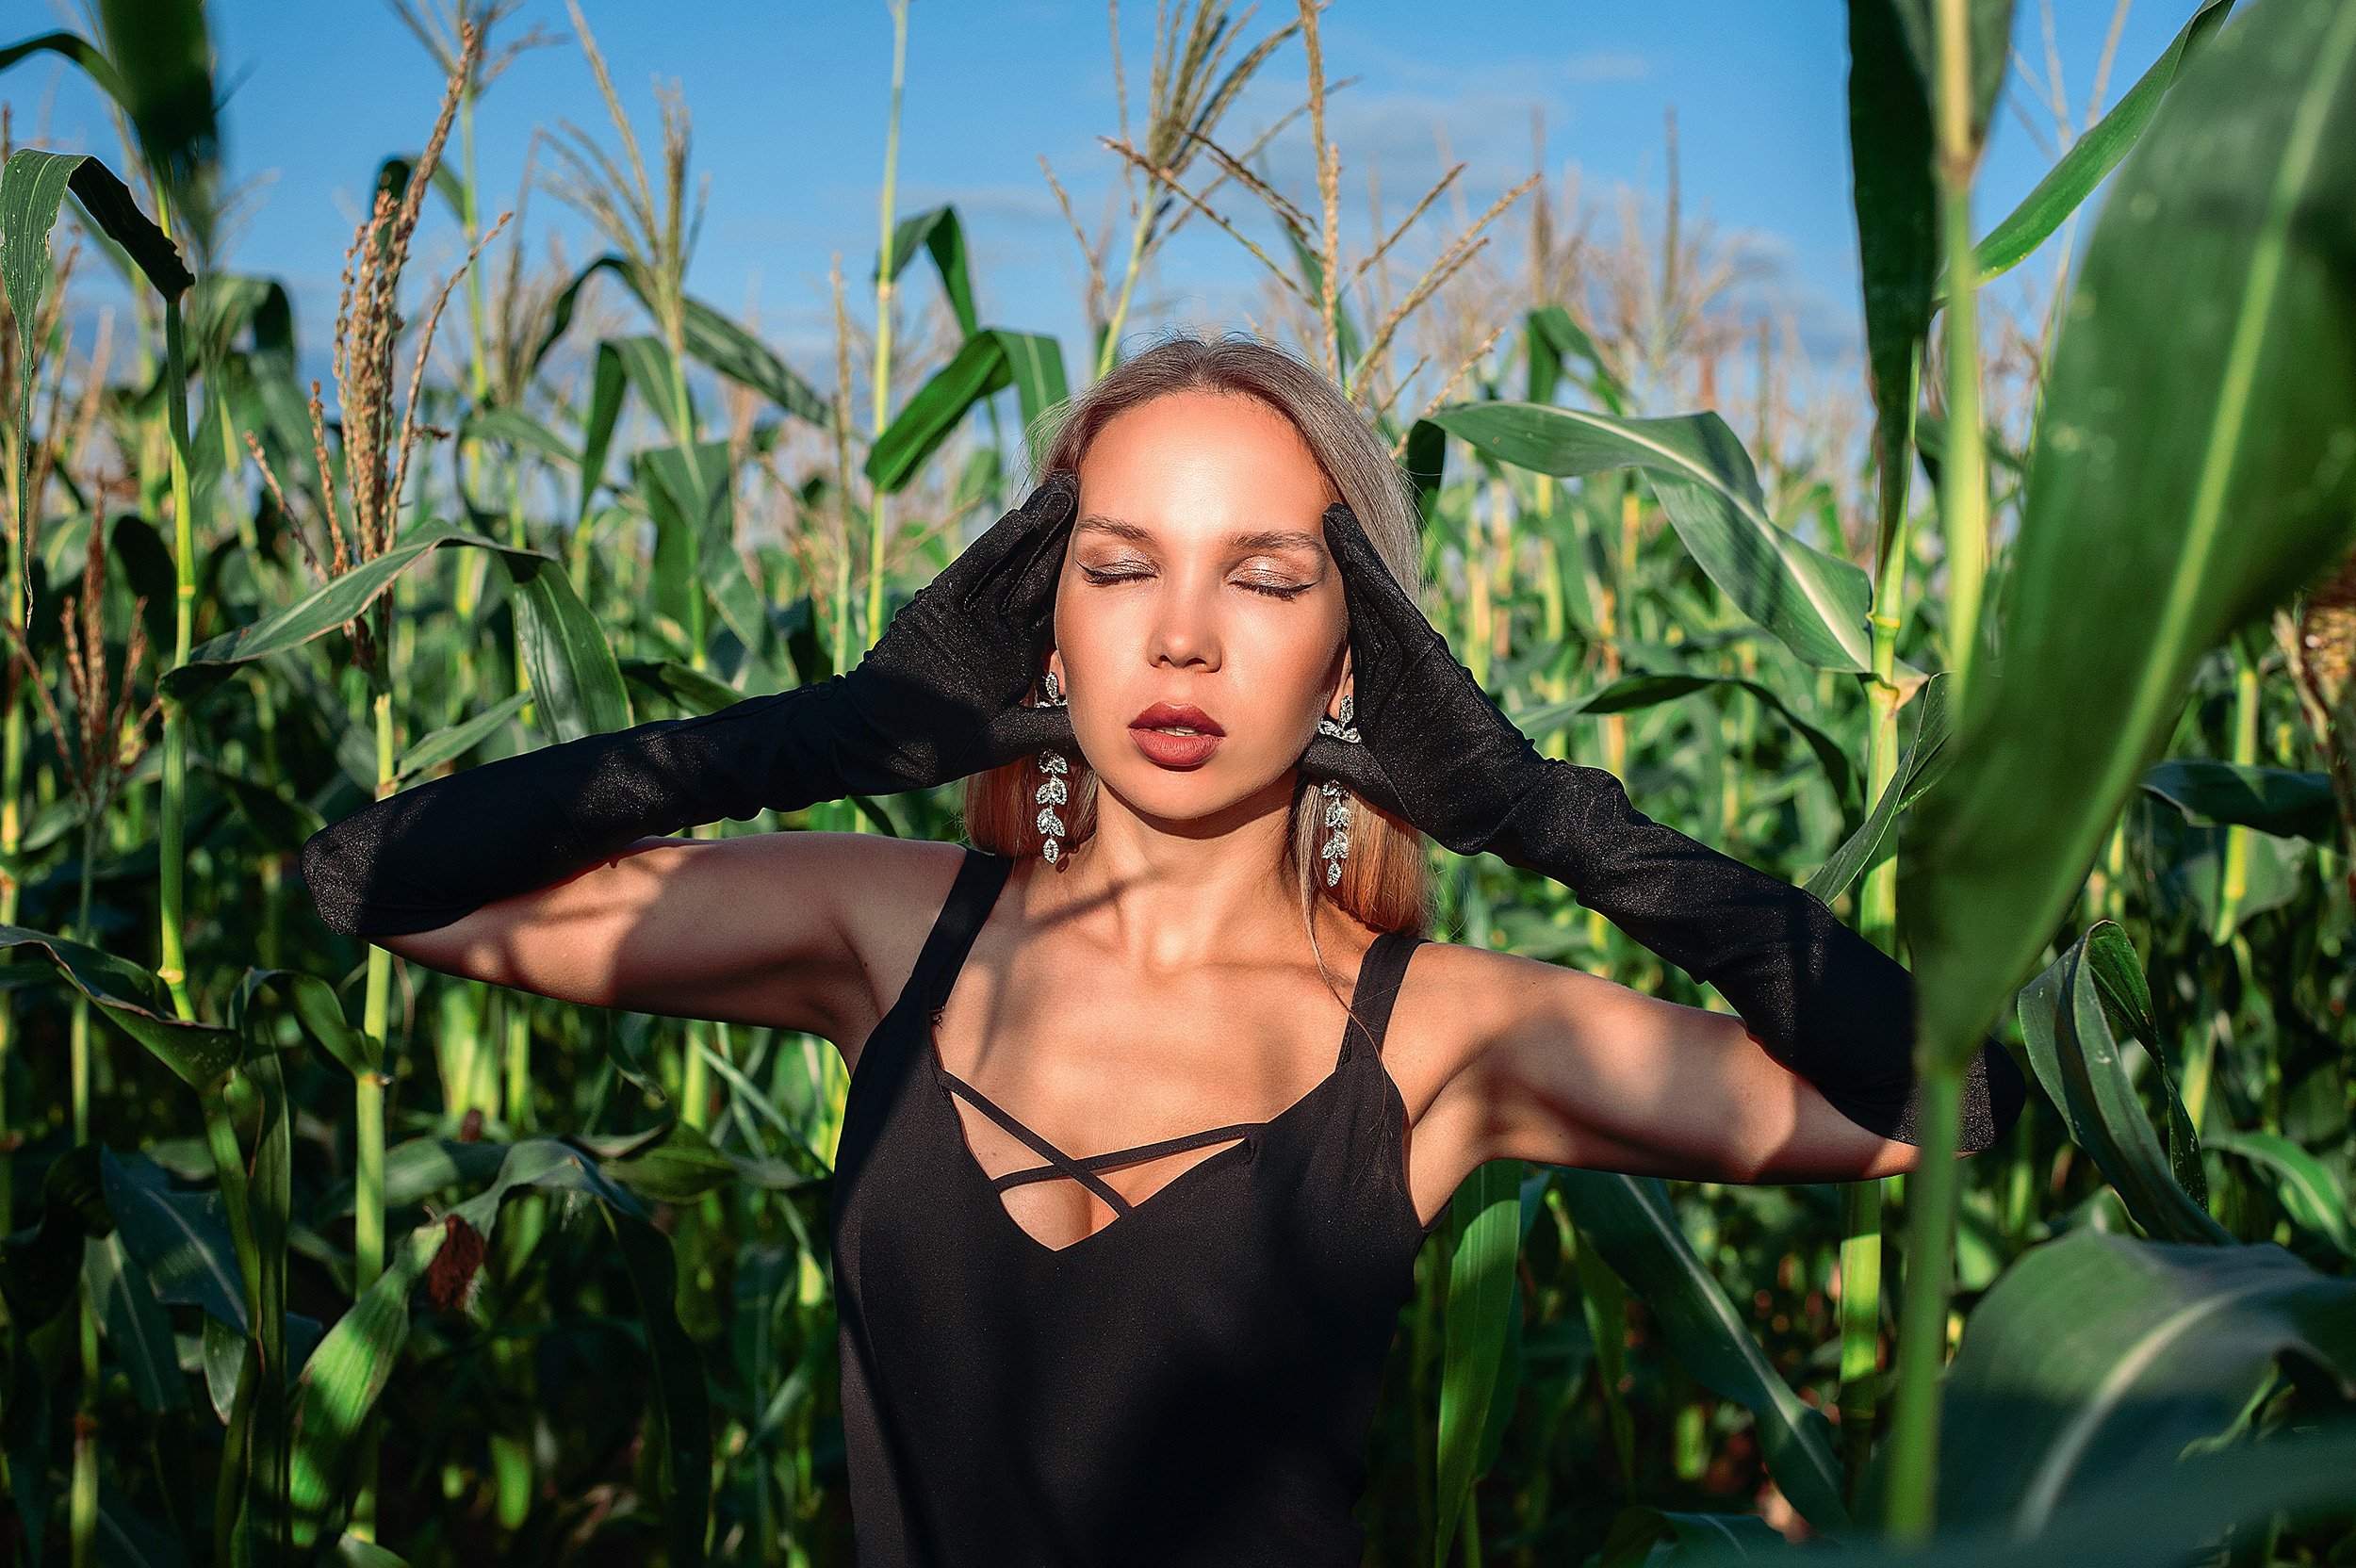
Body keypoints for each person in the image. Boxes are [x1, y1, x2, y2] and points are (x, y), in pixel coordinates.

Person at [302, 335, 2022, 1568]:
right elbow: (378, 874)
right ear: (1042, 620)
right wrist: (835, 730)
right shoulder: (881, 929)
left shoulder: (1437, 1041)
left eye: (1268, 581)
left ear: (1363, 661)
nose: (1183, 637)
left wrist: (1532, 808)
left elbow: (1948, 1097)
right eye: (1118, 570)